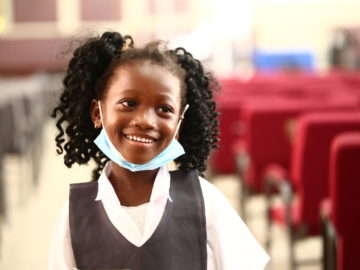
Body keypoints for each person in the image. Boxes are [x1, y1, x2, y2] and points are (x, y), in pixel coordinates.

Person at [48, 31, 269, 270]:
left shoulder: (205, 201)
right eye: (128, 103)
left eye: (164, 109)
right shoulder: (75, 215)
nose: (145, 120)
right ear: (96, 113)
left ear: (179, 124)